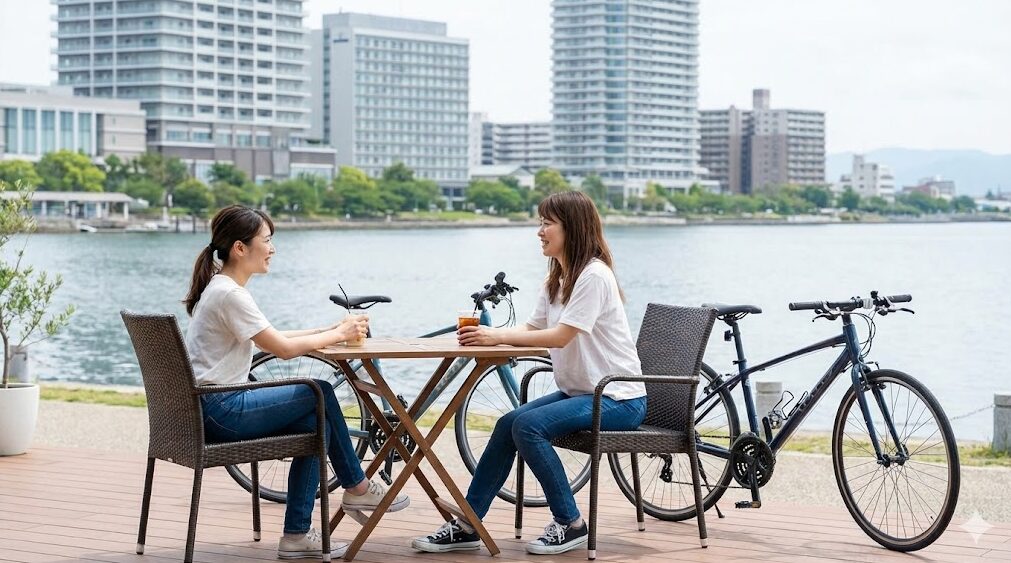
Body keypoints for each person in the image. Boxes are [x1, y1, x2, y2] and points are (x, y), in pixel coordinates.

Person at [412, 191, 647, 555]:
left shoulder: (593, 276)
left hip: (618, 398)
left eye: (547, 223)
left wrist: (496, 336)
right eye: (540, 222)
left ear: (574, 228)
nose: (539, 231)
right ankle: (469, 524)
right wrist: (487, 340)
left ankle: (571, 523)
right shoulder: (557, 279)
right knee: (509, 422)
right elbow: (535, 329)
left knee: (528, 426)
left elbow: (562, 336)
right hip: (582, 393)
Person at [183, 205, 409, 560]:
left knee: (315, 420)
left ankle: (296, 535)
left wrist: (330, 330)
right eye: (267, 241)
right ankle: (357, 484)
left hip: (208, 408)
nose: (272, 249)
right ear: (240, 248)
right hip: (221, 410)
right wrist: (337, 332)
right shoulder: (230, 294)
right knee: (319, 391)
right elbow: (284, 350)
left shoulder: (221, 288)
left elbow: (270, 337)